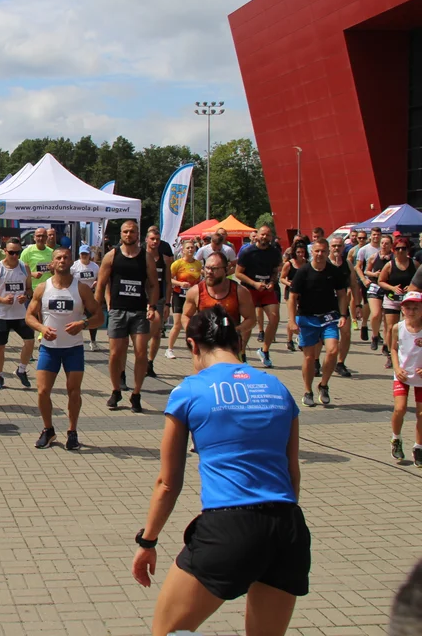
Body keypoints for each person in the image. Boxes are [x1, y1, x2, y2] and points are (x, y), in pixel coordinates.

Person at [131, 305, 307, 636]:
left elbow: (168, 483)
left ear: (194, 346)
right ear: (237, 342)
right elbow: (292, 474)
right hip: (288, 528)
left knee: (166, 632)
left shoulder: (189, 391)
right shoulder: (278, 389)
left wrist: (148, 540)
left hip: (229, 527)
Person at [26, 247, 102, 450]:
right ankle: (48, 430)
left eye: (66, 257)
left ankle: (72, 432)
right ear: (52, 263)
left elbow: (99, 316)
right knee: (42, 391)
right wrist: (42, 328)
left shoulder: (81, 289)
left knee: (74, 391)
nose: (62, 260)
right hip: (49, 348)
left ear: (71, 262)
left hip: (73, 348)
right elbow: (29, 316)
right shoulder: (43, 288)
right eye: (58, 258)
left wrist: (83, 324)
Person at [95, 220, 159, 413]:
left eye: (132, 232)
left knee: (140, 353)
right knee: (115, 354)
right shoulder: (111, 256)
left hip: (139, 311)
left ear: (138, 234)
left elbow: (154, 284)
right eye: (125, 232)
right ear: (120, 234)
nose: (128, 235)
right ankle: (116, 391)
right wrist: (97, 308)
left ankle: (136, 394)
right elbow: (101, 284)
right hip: (117, 310)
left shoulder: (146, 257)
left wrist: (152, 305)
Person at [287, 238, 348, 407]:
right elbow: (292, 298)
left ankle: (324, 385)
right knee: (309, 357)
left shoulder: (334, 271)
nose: (320, 254)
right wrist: (292, 321)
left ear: (328, 252)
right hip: (307, 317)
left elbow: (342, 294)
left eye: (323, 251)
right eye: (317, 251)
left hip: (329, 317)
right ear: (311, 252)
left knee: (333, 350)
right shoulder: (303, 272)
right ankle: (308, 390)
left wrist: (343, 315)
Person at [0, 237, 34, 390]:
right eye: (11, 252)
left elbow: (29, 289)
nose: (14, 256)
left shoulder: (24, 267)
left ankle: (21, 370)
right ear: (5, 251)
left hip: (19, 313)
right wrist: (2, 299)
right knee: (0, 346)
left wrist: (26, 296)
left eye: (17, 253)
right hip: (2, 315)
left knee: (30, 341)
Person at [235, 225, 283, 368]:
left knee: (274, 318)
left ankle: (264, 350)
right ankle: (242, 353)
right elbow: (238, 273)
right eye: (262, 234)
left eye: (268, 235)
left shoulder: (274, 252)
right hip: (250, 289)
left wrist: (272, 282)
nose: (265, 237)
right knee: (250, 322)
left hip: (267, 290)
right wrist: (254, 283)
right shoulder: (247, 252)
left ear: (271, 237)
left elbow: (275, 271)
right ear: (257, 235)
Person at [389, 291, 422, 465]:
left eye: (416, 307)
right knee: (400, 409)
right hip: (402, 374)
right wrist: (396, 367)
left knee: (421, 413)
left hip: (420, 377)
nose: (412, 311)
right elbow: (393, 349)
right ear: (402, 310)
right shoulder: (398, 328)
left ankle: (418, 447)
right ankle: (396, 438)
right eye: (408, 308)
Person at [379, 237, 418, 370]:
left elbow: (420, 280)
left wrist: (413, 287)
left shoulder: (414, 264)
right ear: (393, 250)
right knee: (391, 327)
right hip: (392, 299)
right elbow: (381, 281)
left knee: (411, 326)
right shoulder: (389, 265)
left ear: (408, 250)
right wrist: (392, 288)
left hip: (410, 301)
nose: (400, 251)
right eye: (398, 248)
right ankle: (390, 354)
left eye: (403, 248)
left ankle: (409, 353)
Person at [326, 236, 357, 377]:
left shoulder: (347, 264)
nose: (337, 248)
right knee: (321, 337)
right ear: (329, 248)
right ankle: (315, 362)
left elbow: (354, 285)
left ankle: (340, 363)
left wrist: (357, 305)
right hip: (324, 304)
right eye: (334, 246)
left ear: (344, 248)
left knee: (346, 333)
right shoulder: (323, 263)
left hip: (342, 304)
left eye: (339, 246)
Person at [166, 240, 201, 359]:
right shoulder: (177, 264)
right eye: (188, 248)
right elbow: (169, 279)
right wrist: (180, 284)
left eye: (192, 248)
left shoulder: (198, 264)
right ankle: (169, 349)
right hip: (178, 295)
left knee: (192, 324)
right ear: (183, 250)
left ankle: (195, 348)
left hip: (191, 297)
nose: (190, 250)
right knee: (177, 324)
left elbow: (199, 280)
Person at [145, 227, 171, 378]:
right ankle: (140, 359)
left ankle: (150, 362)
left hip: (159, 300)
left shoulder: (165, 259)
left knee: (156, 333)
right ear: (147, 240)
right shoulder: (140, 257)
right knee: (141, 332)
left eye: (157, 239)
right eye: (152, 239)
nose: (155, 242)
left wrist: (168, 303)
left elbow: (168, 283)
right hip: (142, 299)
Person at [364, 235, 394, 353]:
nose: (384, 245)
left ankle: (386, 345)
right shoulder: (374, 257)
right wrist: (374, 274)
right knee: (376, 314)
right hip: (375, 287)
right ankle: (375, 336)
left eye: (387, 243)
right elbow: (366, 271)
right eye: (382, 243)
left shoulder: (394, 258)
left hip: (388, 288)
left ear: (391, 245)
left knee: (388, 320)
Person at [70, 245, 101, 351]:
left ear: (89, 255)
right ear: (79, 254)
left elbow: (99, 278)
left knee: (92, 317)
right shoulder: (74, 266)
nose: (84, 256)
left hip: (90, 295)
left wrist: (97, 282)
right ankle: (71, 339)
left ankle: (93, 341)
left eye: (86, 254)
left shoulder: (95, 266)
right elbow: (68, 279)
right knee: (74, 317)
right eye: (82, 254)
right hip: (77, 294)